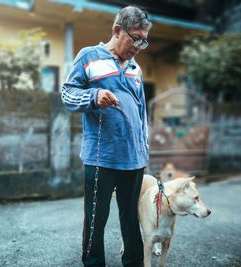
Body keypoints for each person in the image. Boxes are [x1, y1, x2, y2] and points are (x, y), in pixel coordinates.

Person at [61, 5, 152, 267]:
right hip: (102, 157)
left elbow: (141, 111)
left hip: (134, 159)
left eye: (144, 41)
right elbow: (67, 93)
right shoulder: (89, 56)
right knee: (95, 218)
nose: (139, 45)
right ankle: (93, 263)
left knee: (130, 217)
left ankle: (133, 263)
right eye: (135, 37)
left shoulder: (135, 68)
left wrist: (144, 150)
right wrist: (93, 95)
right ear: (117, 30)